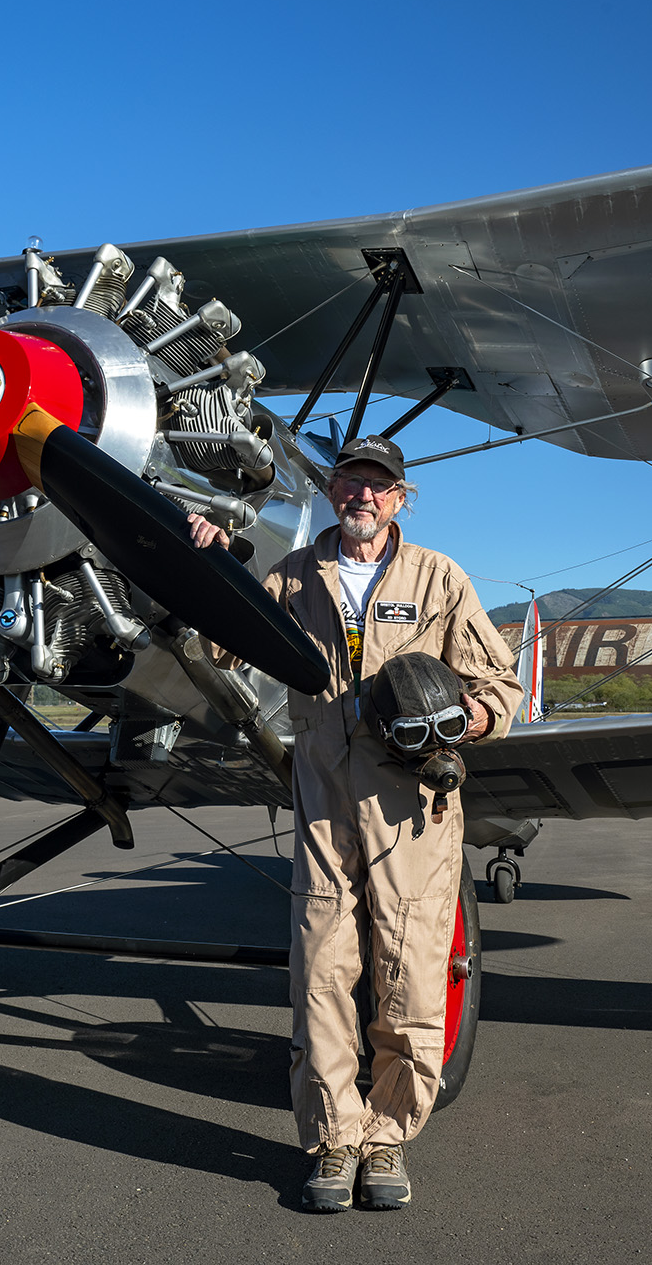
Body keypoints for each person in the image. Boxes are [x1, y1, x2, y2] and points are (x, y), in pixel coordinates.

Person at [189, 434, 522, 1212]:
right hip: (321, 802)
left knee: (408, 977)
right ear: (333, 492)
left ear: (401, 499)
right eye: (350, 482)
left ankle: (388, 1139)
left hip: (413, 806)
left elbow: (499, 688)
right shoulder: (292, 574)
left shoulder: (439, 577)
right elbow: (218, 645)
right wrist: (208, 564)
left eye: (379, 485)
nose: (362, 496)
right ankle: (336, 1138)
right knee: (321, 972)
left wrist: (456, 719)